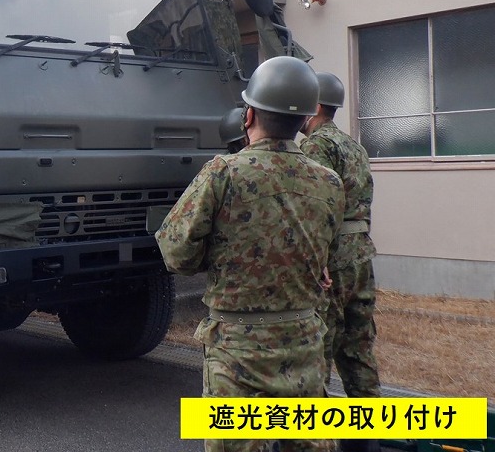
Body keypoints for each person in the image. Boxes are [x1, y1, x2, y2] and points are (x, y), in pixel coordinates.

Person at [155, 56, 344, 452]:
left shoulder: (223, 172)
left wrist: (217, 257)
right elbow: (323, 253)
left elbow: (175, 251)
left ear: (249, 114)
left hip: (237, 347)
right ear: (306, 119)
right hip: (304, 341)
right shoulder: (329, 181)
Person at [300, 72, 381, 452]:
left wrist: (318, 260)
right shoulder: (354, 146)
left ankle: (320, 440)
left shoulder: (317, 146)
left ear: (315, 107)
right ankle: (367, 442)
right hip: (362, 252)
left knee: (320, 345)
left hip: (333, 253)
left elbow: (316, 207)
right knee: (359, 346)